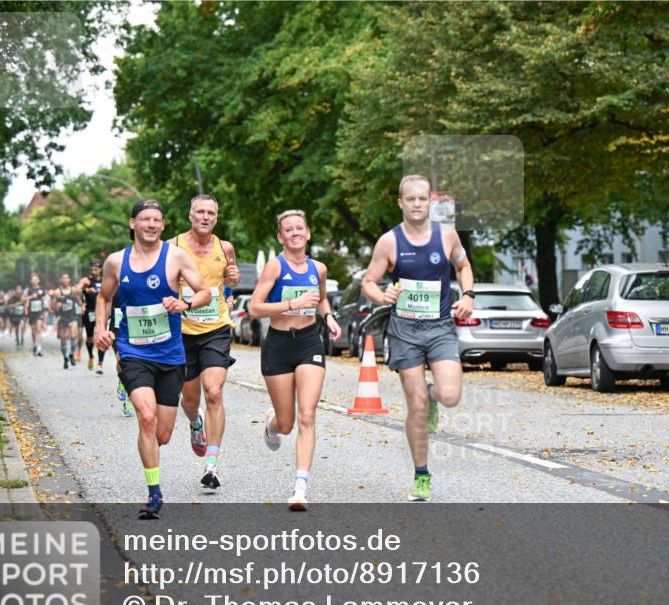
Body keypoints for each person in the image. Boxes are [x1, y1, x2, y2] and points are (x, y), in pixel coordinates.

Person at [360, 174, 475, 502]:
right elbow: (368, 281)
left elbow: (464, 266)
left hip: (439, 327)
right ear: (400, 202)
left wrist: (468, 295)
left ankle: (433, 395)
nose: (417, 204)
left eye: (422, 199)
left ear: (430, 202)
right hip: (405, 332)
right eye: (410, 199)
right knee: (416, 406)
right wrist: (382, 295)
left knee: (450, 395)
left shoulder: (447, 235)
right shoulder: (389, 242)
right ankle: (421, 474)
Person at [94, 199, 210, 519]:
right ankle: (154, 493)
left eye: (157, 220)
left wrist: (184, 305)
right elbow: (104, 297)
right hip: (133, 351)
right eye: (145, 219)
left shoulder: (175, 257)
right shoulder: (117, 262)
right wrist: (100, 330)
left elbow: (204, 292)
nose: (151, 225)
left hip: (171, 354)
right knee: (146, 417)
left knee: (163, 434)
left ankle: (194, 420)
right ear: (133, 223)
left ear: (163, 224)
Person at [249, 209, 341, 511]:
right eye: (288, 230)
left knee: (307, 415)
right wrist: (293, 303)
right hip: (277, 345)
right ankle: (272, 426)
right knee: (287, 423)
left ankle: (300, 487)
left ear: (308, 233)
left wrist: (328, 317)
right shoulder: (275, 267)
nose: (295, 233)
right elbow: (254, 308)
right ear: (281, 237)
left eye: (299, 228)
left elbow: (321, 298)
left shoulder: (320, 268)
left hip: (308, 342)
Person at [172, 194, 240, 490]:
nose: (205, 217)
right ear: (190, 215)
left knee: (213, 391)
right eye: (200, 211)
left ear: (216, 216)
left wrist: (233, 278)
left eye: (210, 212)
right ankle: (195, 423)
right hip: (183, 331)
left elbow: (230, 281)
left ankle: (211, 464)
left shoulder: (225, 248)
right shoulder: (173, 246)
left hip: (216, 328)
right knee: (190, 400)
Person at [76, 259, 107, 372]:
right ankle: (91, 356)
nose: (93, 272)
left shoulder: (105, 280)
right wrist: (83, 299)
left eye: (96, 269)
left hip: (102, 312)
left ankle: (100, 363)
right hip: (89, 312)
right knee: (90, 339)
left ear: (100, 270)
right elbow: (76, 290)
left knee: (101, 336)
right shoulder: (87, 280)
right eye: (92, 269)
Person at [50, 272, 80, 369]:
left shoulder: (73, 290)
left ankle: (71, 354)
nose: (65, 280)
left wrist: (83, 306)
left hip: (72, 316)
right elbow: (52, 307)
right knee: (63, 339)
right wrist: (56, 305)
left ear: (69, 280)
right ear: (60, 280)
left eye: (67, 278)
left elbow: (79, 300)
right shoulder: (57, 292)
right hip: (62, 317)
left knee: (73, 335)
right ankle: (65, 358)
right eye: (63, 278)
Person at [23, 273, 46, 356]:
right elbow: (22, 299)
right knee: (33, 331)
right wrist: (31, 297)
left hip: (40, 311)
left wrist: (45, 302)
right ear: (31, 281)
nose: (35, 281)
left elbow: (46, 298)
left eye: (36, 279)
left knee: (39, 329)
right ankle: (35, 345)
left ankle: (39, 348)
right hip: (31, 312)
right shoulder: (28, 289)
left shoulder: (42, 289)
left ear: (38, 280)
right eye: (33, 279)